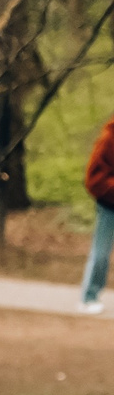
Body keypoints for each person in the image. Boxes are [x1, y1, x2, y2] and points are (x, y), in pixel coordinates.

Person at [80, 115, 114, 314]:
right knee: (101, 253)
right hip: (109, 203)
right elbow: (94, 179)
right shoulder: (109, 137)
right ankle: (88, 297)